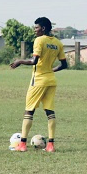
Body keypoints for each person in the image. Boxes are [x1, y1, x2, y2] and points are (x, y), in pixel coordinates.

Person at [10, 17, 67, 152]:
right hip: (51, 80)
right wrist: (51, 70)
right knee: (50, 112)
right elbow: (64, 64)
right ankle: (51, 145)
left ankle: (22, 145)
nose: (34, 30)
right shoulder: (58, 43)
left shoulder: (39, 40)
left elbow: (34, 60)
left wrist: (19, 61)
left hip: (39, 80)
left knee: (29, 110)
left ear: (43, 28)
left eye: (36, 27)